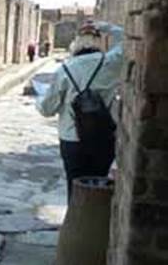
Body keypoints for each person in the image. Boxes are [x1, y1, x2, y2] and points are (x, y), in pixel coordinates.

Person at [35, 24, 122, 200]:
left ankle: (75, 223)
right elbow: (126, 40)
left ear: (76, 44)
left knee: (74, 189)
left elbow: (47, 109)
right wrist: (104, 26)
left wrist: (40, 99)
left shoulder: (65, 70)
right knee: (99, 186)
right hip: (103, 138)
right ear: (99, 42)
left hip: (72, 140)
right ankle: (94, 223)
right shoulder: (111, 63)